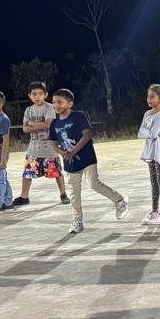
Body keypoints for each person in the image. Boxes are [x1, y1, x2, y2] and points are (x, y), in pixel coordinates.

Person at [48, 88, 128, 235]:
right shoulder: (54, 123)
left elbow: (87, 135)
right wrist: (62, 153)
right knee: (74, 192)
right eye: (54, 102)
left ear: (70, 103)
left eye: (60, 102)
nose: (56, 105)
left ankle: (119, 200)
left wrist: (73, 152)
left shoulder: (79, 116)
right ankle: (77, 220)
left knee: (93, 183)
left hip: (87, 158)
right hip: (70, 163)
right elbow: (54, 144)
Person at [16, 81, 69, 207]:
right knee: (27, 174)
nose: (37, 97)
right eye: (34, 94)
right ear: (29, 96)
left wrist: (32, 124)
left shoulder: (49, 108)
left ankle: (63, 194)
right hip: (33, 149)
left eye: (40, 94)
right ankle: (24, 197)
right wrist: (38, 125)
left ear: (45, 95)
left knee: (57, 173)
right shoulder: (28, 110)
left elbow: (48, 124)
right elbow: (25, 129)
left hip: (49, 149)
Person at [138, 83, 160, 226]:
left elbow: (152, 133)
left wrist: (147, 132)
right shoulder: (147, 114)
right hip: (151, 152)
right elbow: (140, 132)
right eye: (148, 96)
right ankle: (154, 211)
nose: (149, 99)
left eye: (152, 96)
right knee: (153, 182)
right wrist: (147, 132)